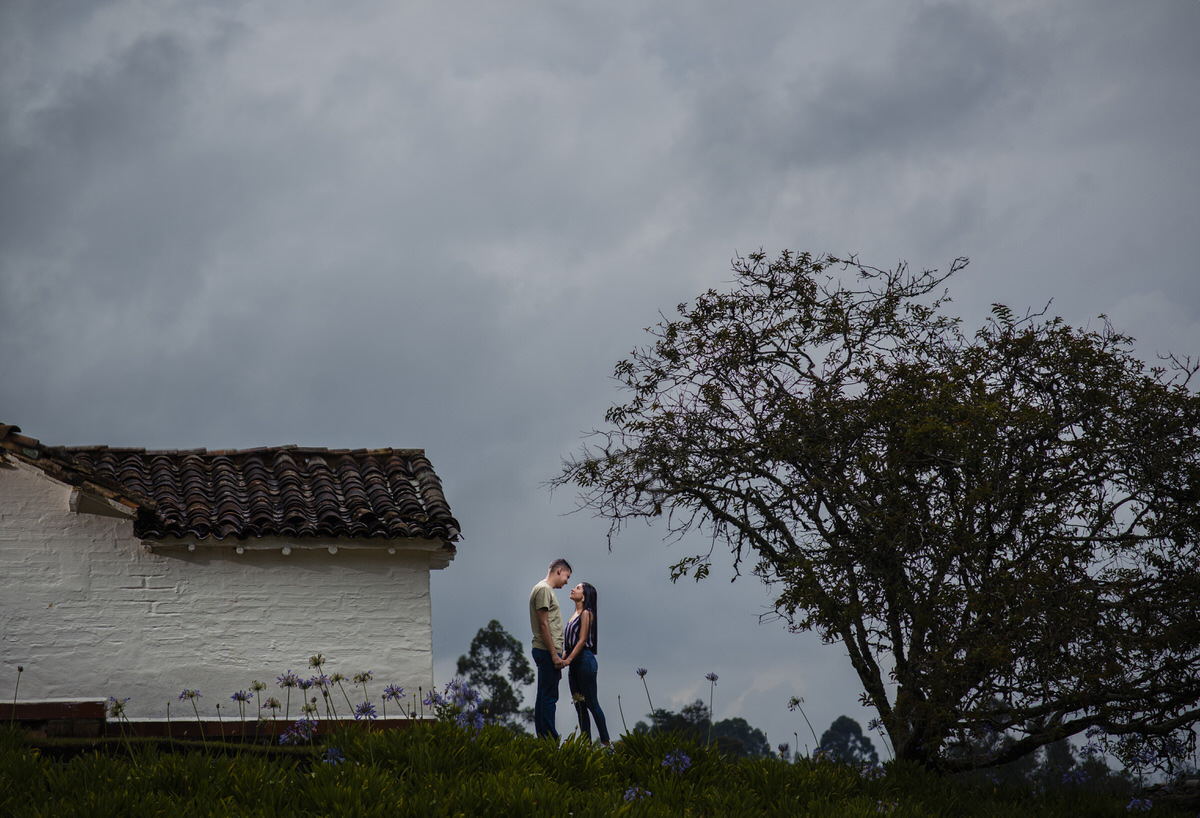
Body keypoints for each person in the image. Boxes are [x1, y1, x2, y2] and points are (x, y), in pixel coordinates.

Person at [562, 581, 611, 746]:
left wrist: (567, 659)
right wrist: (563, 657)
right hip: (574, 663)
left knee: (591, 702)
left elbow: (582, 640)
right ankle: (586, 744)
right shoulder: (574, 614)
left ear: (584, 595)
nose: (573, 589)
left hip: (584, 660)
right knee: (579, 705)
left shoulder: (586, 613)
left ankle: (605, 740)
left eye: (577, 587)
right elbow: (569, 643)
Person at [529, 557, 572, 739]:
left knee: (544, 695)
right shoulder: (544, 590)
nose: (567, 582)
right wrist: (554, 655)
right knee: (549, 697)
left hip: (549, 652)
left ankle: (544, 739)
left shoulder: (544, 590)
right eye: (567, 577)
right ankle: (549, 741)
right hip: (547, 651)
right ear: (559, 570)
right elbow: (544, 624)